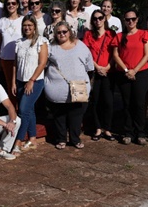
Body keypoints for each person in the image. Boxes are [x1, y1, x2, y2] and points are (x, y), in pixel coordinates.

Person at [45, 21, 94, 149]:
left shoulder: (80, 45)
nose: (62, 34)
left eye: (64, 32)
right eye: (58, 32)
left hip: (78, 88)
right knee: (59, 116)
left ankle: (75, 139)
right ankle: (61, 138)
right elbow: (43, 64)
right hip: (57, 90)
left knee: (76, 115)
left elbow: (89, 65)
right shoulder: (51, 47)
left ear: (70, 32)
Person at [112, 9, 148, 145]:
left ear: (137, 20)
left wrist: (134, 70)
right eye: (128, 19)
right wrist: (126, 70)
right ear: (124, 20)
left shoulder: (144, 34)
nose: (130, 22)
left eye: (133, 19)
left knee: (139, 104)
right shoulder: (119, 36)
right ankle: (128, 132)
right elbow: (116, 55)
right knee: (127, 104)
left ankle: (140, 132)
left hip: (140, 73)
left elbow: (147, 55)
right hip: (124, 73)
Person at [13, 16, 48, 151]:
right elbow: (15, 64)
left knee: (23, 111)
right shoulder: (19, 42)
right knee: (30, 109)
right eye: (25, 25)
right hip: (20, 81)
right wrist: (14, 82)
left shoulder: (41, 41)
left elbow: (42, 63)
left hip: (35, 81)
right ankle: (33, 138)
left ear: (34, 27)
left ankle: (19, 141)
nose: (27, 28)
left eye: (30, 25)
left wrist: (32, 80)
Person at [82, 10, 117, 141]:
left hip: (108, 71)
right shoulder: (88, 34)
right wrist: (97, 67)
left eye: (100, 18)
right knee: (95, 100)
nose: (98, 21)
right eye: (95, 19)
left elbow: (115, 53)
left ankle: (107, 128)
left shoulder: (111, 34)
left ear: (104, 19)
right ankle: (97, 129)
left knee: (108, 101)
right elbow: (87, 53)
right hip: (94, 71)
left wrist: (108, 67)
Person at [0, 0, 23, 91]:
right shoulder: (2, 21)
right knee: (9, 85)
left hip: (20, 58)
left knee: (20, 84)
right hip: (6, 58)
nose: (11, 5)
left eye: (13, 3)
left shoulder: (23, 19)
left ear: (17, 5)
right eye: (8, 4)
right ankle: (12, 106)